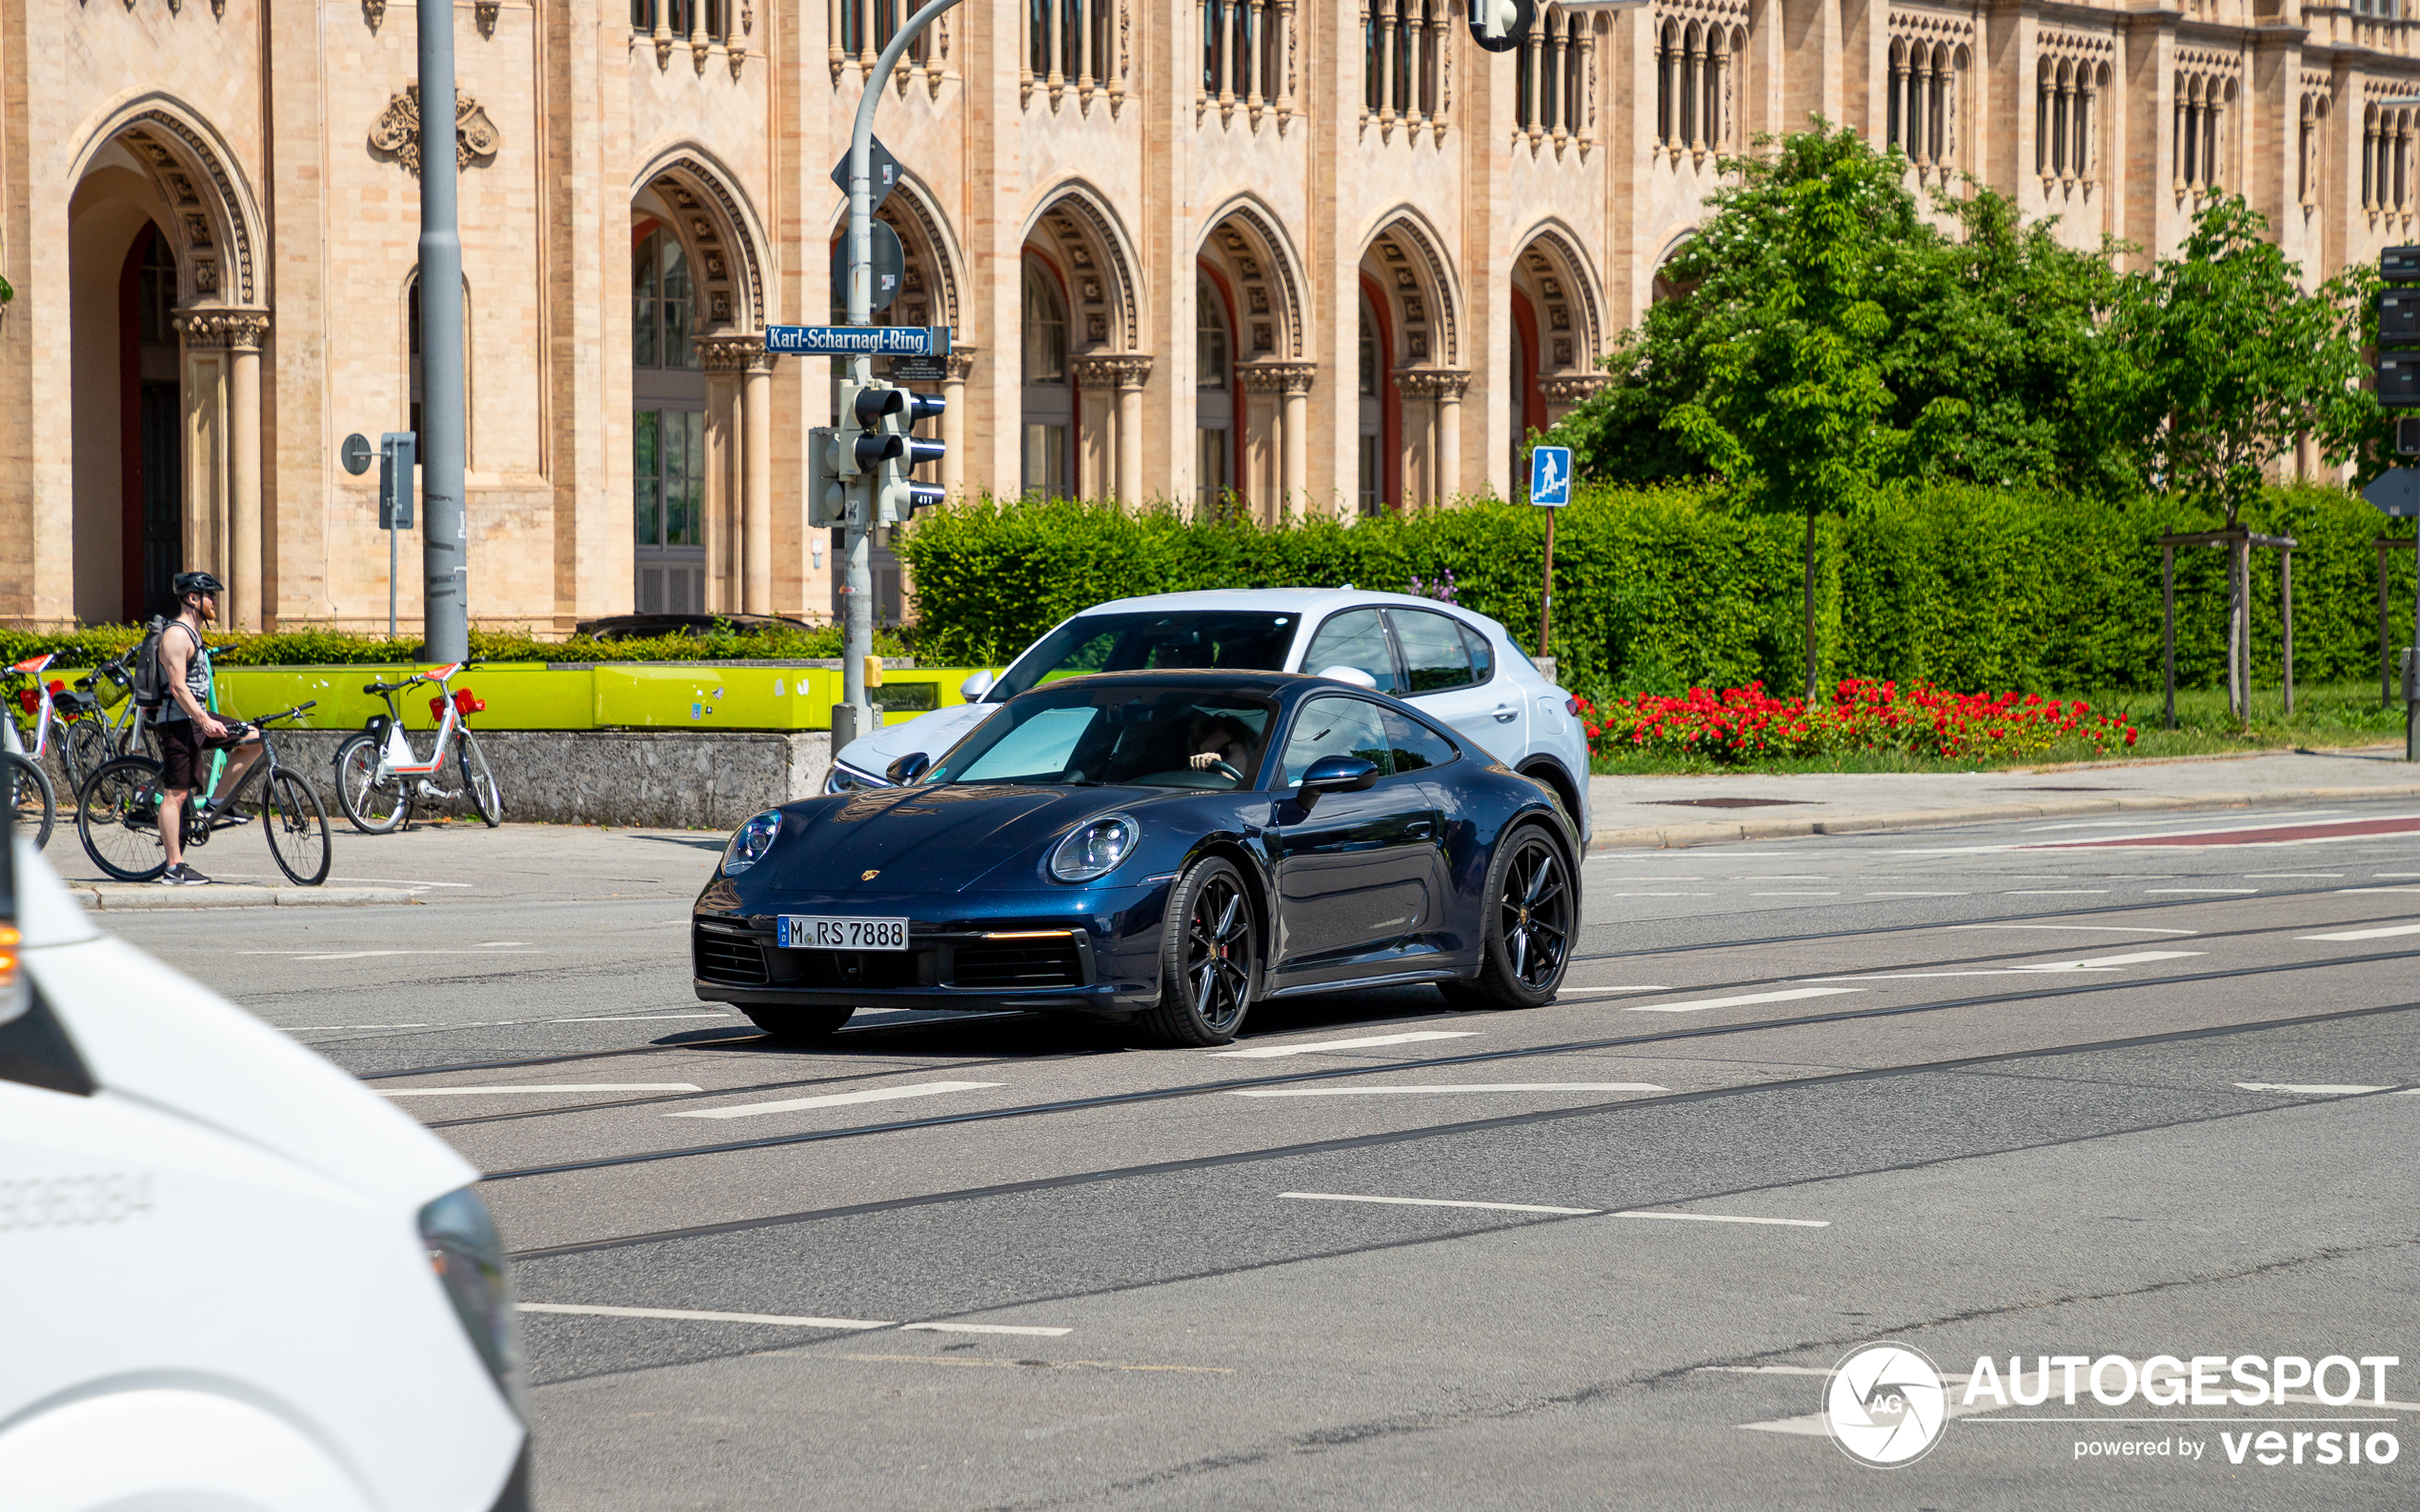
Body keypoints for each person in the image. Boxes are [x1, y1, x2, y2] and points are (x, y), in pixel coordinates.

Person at [153, 571, 263, 886]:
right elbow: (177, 687)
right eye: (210, 596)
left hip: (197, 717)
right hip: (178, 721)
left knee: (255, 738)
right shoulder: (176, 635)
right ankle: (174, 867)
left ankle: (218, 802)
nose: (215, 601)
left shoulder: (194, 633)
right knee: (175, 794)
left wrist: (204, 717)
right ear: (192, 599)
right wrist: (204, 720)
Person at [1185, 714, 1255, 779]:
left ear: (1244, 744)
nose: (1217, 763)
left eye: (1223, 753)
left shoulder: (1265, 778)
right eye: (1207, 762)